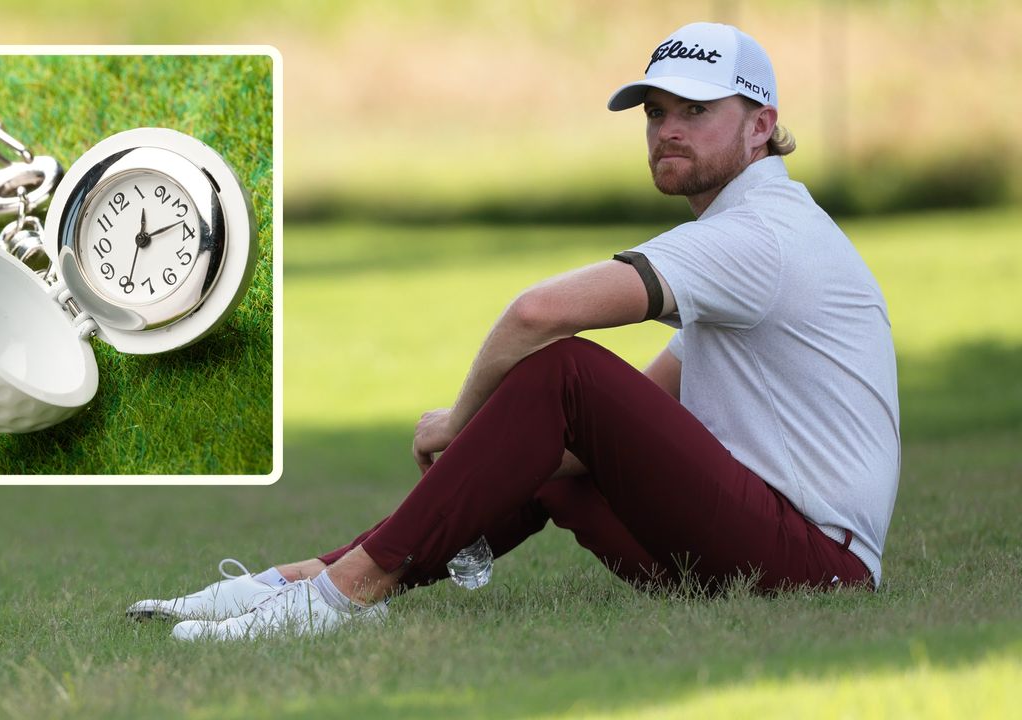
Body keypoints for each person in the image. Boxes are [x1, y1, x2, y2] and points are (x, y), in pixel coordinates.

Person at [127, 22, 901, 641]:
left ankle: (338, 596)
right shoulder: (753, 233)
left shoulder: (759, 235)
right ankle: (292, 583)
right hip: (747, 552)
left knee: (566, 371)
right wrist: (491, 448)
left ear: (762, 125)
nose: (668, 130)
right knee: (542, 439)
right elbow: (628, 413)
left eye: (696, 111)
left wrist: (459, 424)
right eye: (657, 112)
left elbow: (539, 314)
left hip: (813, 568)